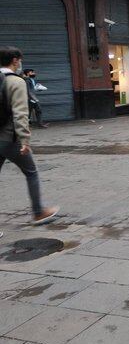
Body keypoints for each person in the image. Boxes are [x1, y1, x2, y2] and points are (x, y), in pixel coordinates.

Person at [0, 47, 59, 225]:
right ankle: (38, 212)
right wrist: (25, 140)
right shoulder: (16, 82)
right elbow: (20, 114)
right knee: (31, 172)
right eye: (19, 60)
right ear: (15, 60)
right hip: (10, 139)